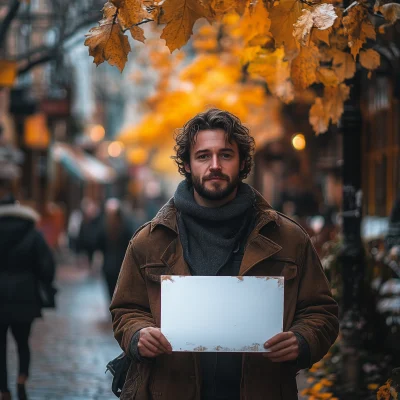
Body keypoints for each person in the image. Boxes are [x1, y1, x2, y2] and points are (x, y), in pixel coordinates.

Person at [110, 109, 339, 400]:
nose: (214, 165)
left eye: (226, 155)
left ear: (243, 162)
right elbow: (125, 309)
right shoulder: (150, 240)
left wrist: (302, 340)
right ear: (188, 164)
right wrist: (138, 335)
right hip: (171, 389)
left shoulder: (289, 238)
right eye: (203, 156)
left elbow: (321, 311)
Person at [0, 177, 56, 400]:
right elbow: (47, 266)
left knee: (0, 346)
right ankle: (21, 379)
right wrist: (43, 284)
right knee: (23, 342)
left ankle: (3, 390)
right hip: (25, 295)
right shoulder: (33, 234)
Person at [97, 198, 132, 300]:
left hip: (110, 265)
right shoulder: (124, 227)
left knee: (111, 292)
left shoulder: (105, 227)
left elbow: (99, 244)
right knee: (118, 292)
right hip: (120, 264)